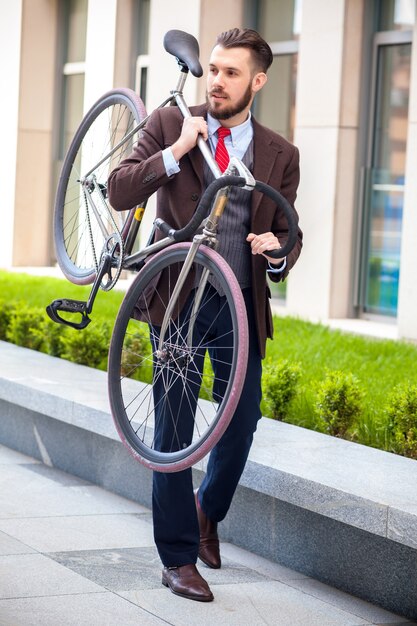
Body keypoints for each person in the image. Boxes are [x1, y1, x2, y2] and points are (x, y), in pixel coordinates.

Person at [108, 27, 302, 603]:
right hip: (178, 300)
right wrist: (175, 154)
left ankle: (206, 512)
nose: (216, 80)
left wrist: (277, 251)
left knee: (242, 420)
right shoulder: (172, 122)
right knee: (174, 429)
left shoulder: (280, 153)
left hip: (239, 300)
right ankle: (177, 556)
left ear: (257, 81)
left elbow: (292, 233)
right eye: (213, 69)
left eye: (231, 72)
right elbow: (119, 190)